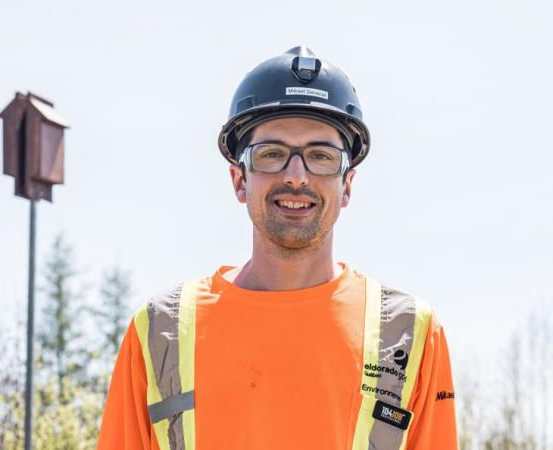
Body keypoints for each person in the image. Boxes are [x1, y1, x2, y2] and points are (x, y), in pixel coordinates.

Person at [96, 46, 458, 450]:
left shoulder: (409, 333)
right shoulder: (161, 329)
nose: (297, 176)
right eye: (272, 154)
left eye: (321, 156)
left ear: (347, 185)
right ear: (239, 180)